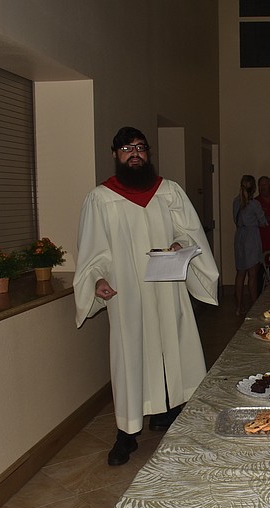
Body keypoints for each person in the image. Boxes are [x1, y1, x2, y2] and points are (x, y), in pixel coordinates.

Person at [73, 126, 219, 466]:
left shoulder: (169, 191)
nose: (134, 153)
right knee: (130, 354)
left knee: (174, 345)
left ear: (148, 153)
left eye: (140, 147)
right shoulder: (101, 198)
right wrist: (96, 280)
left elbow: (190, 233)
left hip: (166, 285)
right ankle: (126, 433)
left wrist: (180, 245)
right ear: (115, 154)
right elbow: (92, 250)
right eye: (127, 148)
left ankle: (170, 413)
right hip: (126, 291)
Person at [233, 175, 267, 315]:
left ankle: (239, 306)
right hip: (251, 237)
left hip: (240, 237)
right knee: (253, 274)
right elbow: (263, 222)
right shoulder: (255, 204)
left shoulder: (236, 201)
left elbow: (235, 219)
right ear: (254, 188)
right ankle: (253, 305)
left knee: (240, 273)